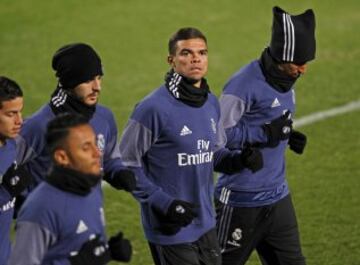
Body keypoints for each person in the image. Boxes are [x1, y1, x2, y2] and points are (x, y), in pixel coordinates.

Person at [119, 27, 263, 265]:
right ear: (171, 60)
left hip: (206, 223)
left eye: (202, 52)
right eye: (186, 53)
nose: (196, 58)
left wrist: (238, 160)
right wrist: (163, 203)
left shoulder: (210, 103)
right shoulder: (152, 108)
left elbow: (212, 154)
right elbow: (124, 164)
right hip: (170, 229)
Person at [215, 6, 316, 265]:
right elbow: (217, 136)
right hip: (240, 200)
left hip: (278, 196)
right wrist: (263, 133)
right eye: (299, 63)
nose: (303, 70)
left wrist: (287, 135)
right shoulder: (242, 85)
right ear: (283, 57)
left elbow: (271, 120)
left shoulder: (286, 80)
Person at [15, 43, 136, 197]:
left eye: (99, 78)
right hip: (48, 219)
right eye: (87, 81)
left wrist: (118, 173)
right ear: (69, 83)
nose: (97, 87)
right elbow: (6, 160)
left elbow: (108, 159)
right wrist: (21, 198)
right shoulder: (40, 125)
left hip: (90, 215)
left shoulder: (104, 117)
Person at [9, 113, 132, 265]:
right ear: (62, 157)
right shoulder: (41, 209)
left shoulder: (91, 188)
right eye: (86, 148)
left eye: (95, 144)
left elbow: (83, 248)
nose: (97, 153)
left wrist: (108, 252)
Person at [0, 76, 32, 264]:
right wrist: (6, 191)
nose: (19, 120)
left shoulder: (11, 146)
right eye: (11, 114)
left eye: (20, 112)